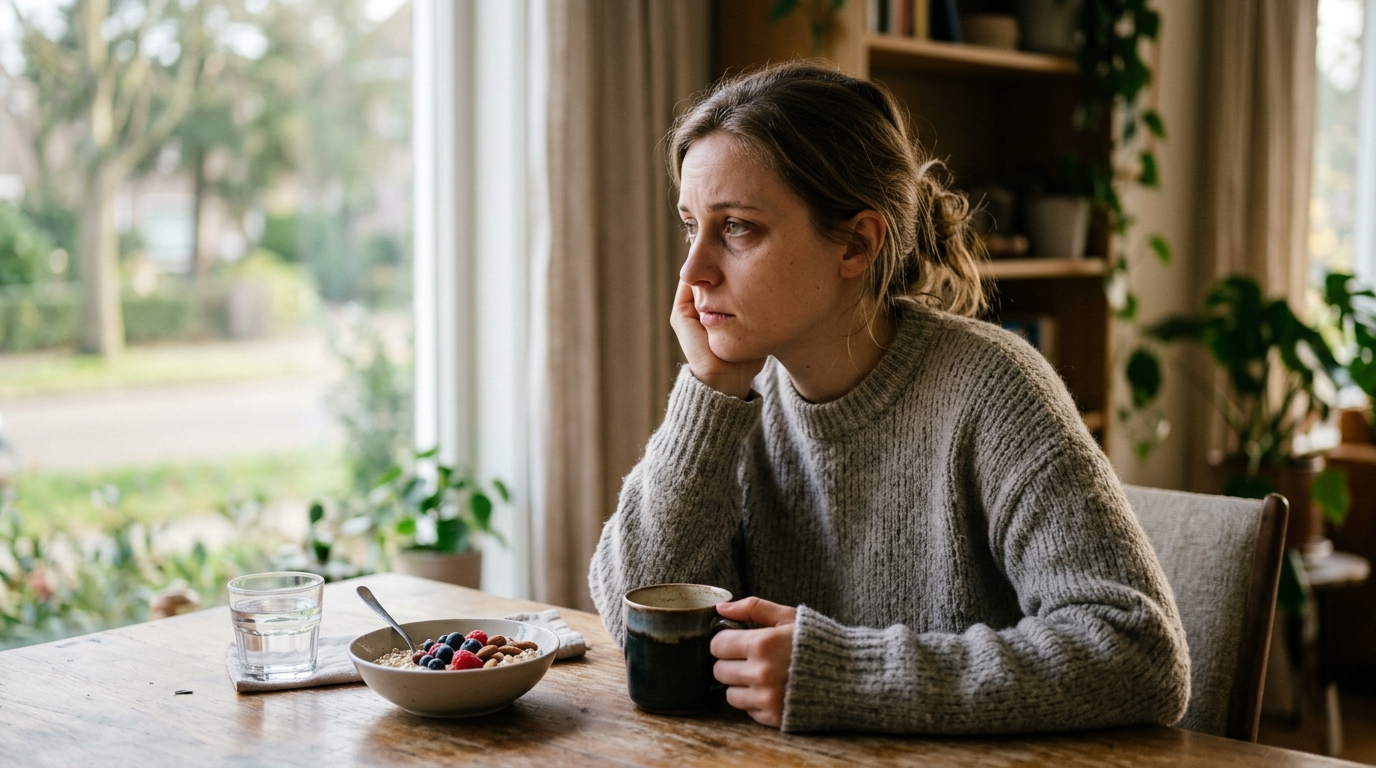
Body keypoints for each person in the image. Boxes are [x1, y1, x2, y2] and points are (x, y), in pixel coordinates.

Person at [588, 62, 1189, 735]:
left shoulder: (992, 390)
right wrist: (707, 395)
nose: (693, 272)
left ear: (856, 243)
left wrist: (845, 674)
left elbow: (1139, 654)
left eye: (737, 228)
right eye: (690, 225)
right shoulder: (736, 395)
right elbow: (635, 616)